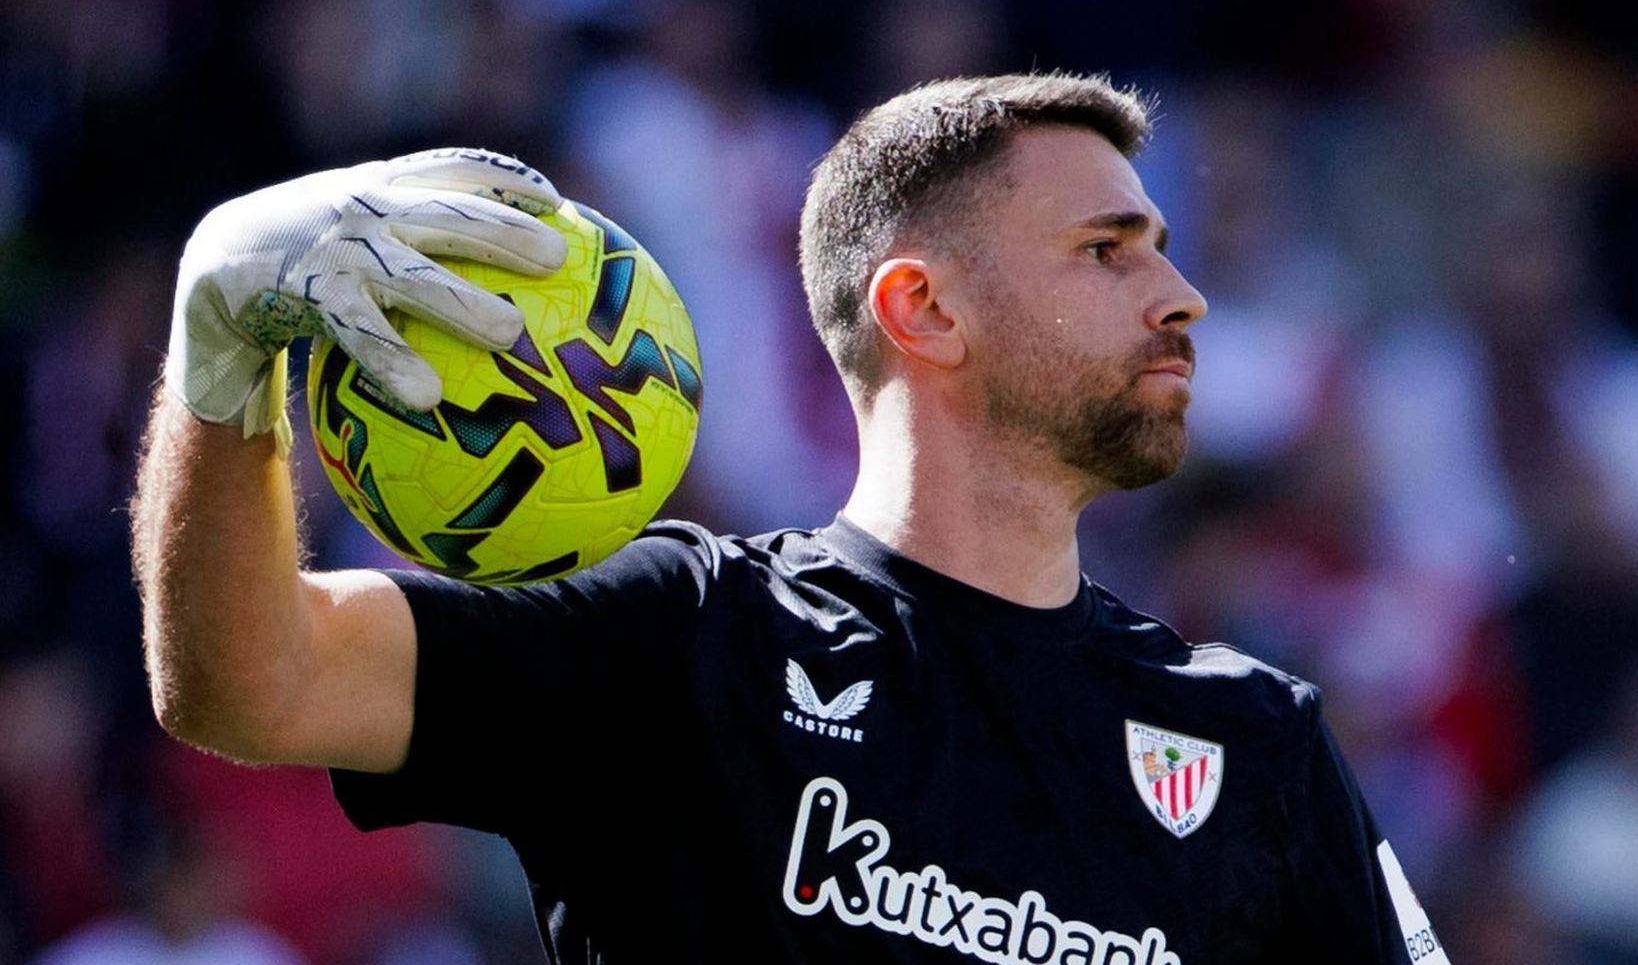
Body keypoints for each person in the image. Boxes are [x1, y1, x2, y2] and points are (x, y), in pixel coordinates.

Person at [132, 74, 1448, 964]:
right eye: (1109, 250)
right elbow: (249, 684)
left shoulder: (1255, 739)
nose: (1183, 294)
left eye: (1163, 244)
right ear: (921, 309)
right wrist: (221, 365)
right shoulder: (677, 640)